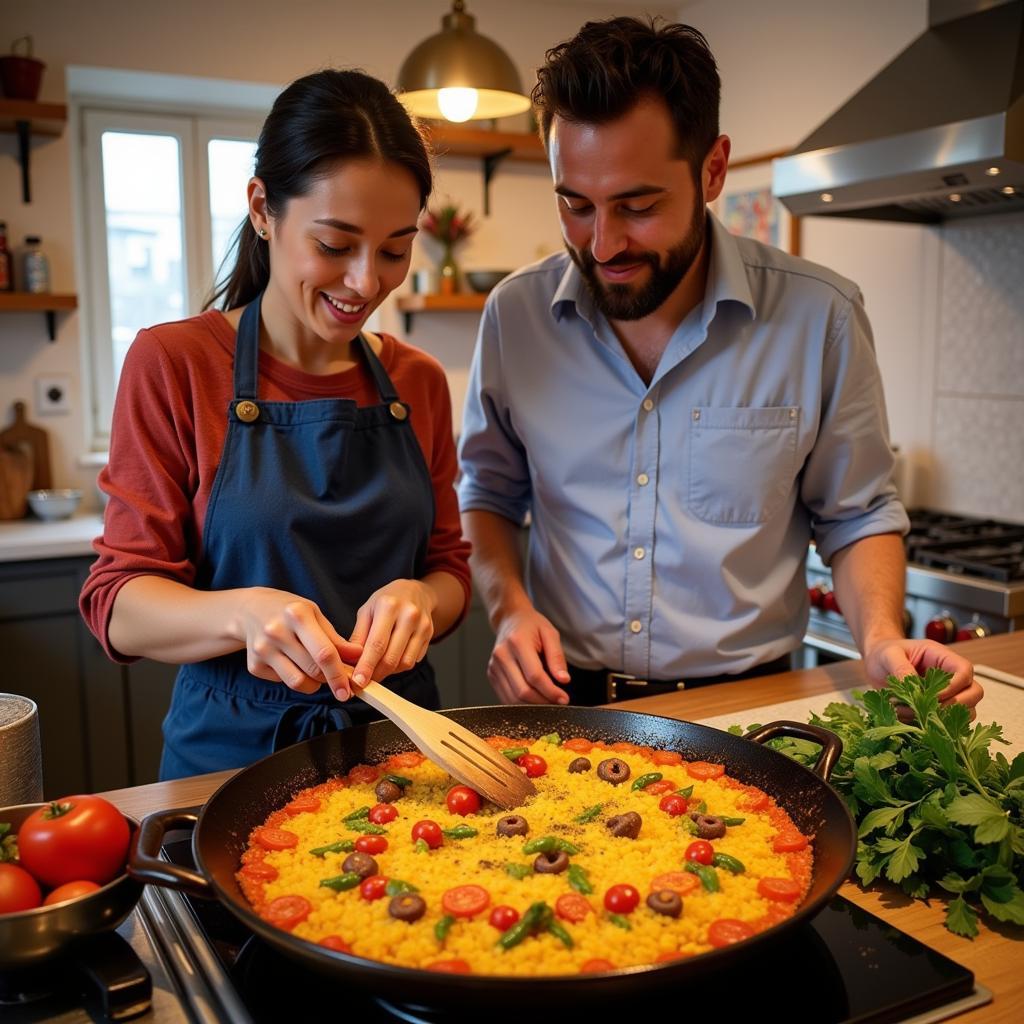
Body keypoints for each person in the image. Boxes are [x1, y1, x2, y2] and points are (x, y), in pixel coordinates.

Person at [457, 18, 981, 711]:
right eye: (575, 205)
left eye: (637, 206)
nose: (604, 243)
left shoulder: (819, 316)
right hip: (566, 708)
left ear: (712, 169)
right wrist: (510, 608)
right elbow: (487, 495)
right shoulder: (513, 317)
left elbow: (856, 516)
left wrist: (880, 637)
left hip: (750, 706)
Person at [80, 70, 471, 779]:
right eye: (334, 245)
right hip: (227, 763)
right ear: (263, 207)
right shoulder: (174, 361)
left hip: (403, 754)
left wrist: (422, 599)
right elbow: (118, 603)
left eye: (393, 249)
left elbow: (449, 571)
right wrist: (242, 614)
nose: (365, 282)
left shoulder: (417, 381)